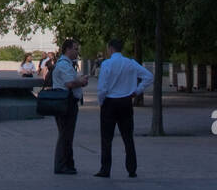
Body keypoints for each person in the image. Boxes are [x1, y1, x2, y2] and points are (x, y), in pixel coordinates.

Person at [95, 38, 154, 178]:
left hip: (110, 102)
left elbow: (102, 87)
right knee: (128, 137)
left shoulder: (107, 64)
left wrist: (101, 102)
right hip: (126, 102)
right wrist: (137, 90)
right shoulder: (130, 63)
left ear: (110, 48)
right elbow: (149, 76)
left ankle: (105, 169)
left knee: (106, 138)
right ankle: (131, 168)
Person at [52, 38, 88, 174]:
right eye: (75, 49)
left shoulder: (66, 64)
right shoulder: (63, 65)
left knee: (66, 134)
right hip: (66, 102)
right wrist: (82, 82)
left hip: (67, 102)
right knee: (65, 134)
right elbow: (70, 83)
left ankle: (67, 163)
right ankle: (62, 165)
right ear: (68, 49)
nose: (77, 52)